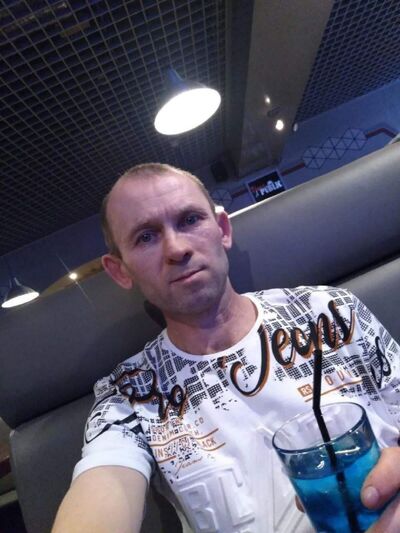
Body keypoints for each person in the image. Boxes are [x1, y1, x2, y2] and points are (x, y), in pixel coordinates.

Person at [52, 163, 400, 533]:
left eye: (190, 220)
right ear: (121, 271)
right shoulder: (130, 395)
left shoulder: (327, 313)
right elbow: (103, 487)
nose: (177, 249)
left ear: (223, 230)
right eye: (146, 237)